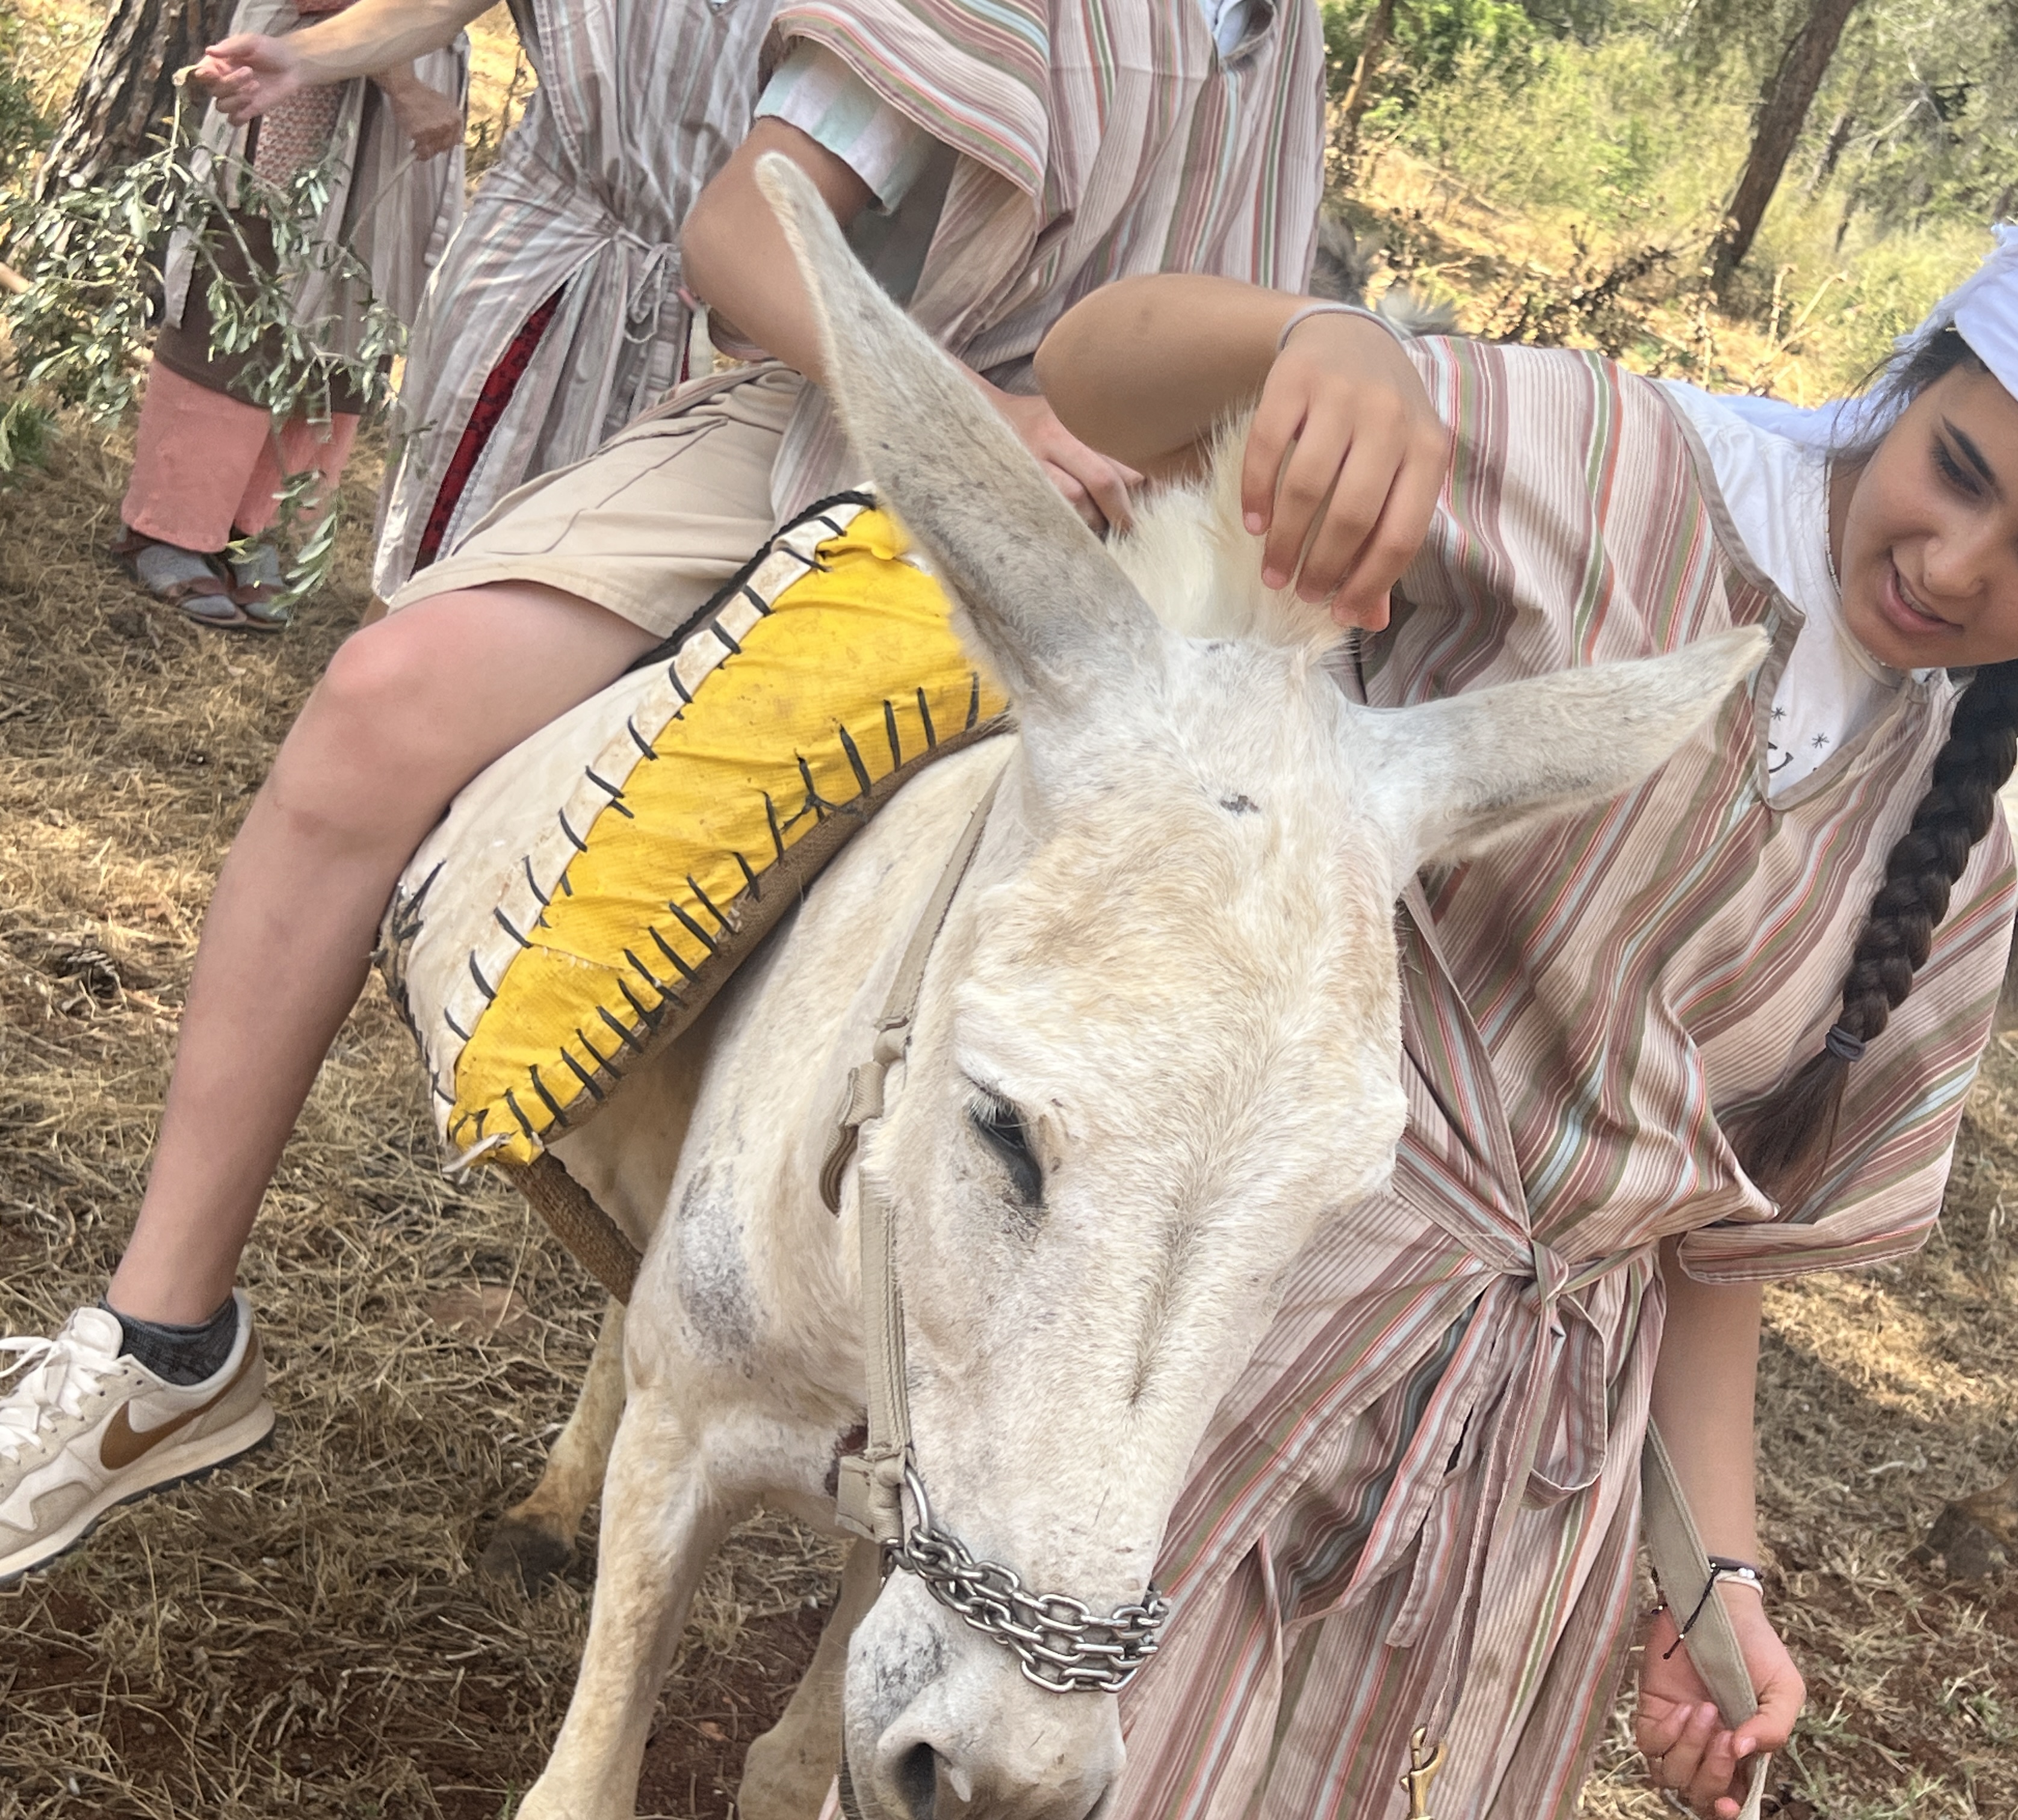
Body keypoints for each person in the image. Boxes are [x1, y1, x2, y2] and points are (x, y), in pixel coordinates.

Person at [1018, 182, 2018, 1818]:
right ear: (1919, 380)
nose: (1954, 564)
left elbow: (1710, 1248)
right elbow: (1092, 379)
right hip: (1208, 1348)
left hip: (1515, 1515)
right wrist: (1325, 340)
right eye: (1957, 469)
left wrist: (1719, 1586)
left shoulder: (1951, 855)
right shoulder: (1593, 465)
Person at [0, 0, 1323, 1588]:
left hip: (1138, 553)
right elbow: (744, 229)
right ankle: (165, 1338)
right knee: (376, 710)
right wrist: (977, 416)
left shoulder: (1288, 42)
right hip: (876, 432)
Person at [188, 0, 787, 608]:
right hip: (538, 268)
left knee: (586, 569)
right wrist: (299, 56)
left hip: (666, 303)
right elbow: (431, 6)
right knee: (441, 550)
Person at [114, 0, 466, 629]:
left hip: (405, 64)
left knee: (353, 302)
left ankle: (251, 527)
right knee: (250, 282)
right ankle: (168, 525)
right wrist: (406, 86)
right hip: (310, 60)